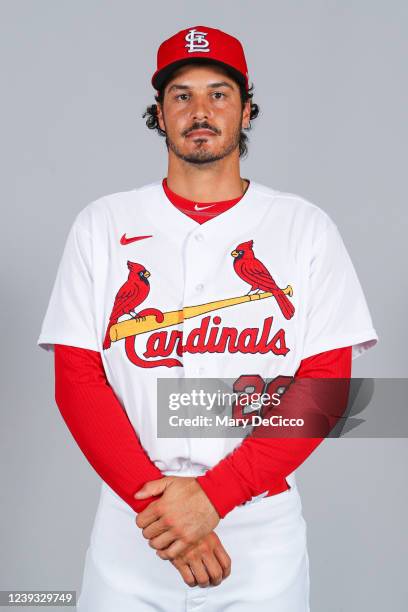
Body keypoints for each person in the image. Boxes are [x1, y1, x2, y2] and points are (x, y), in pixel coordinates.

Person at [37, 25, 378, 611]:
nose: (200, 110)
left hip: (257, 526)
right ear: (160, 114)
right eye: (181, 95)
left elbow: (325, 387)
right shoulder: (102, 223)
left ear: (247, 110)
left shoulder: (303, 227)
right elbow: (77, 379)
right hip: (134, 525)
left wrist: (215, 496)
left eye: (218, 93)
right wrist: (165, 512)